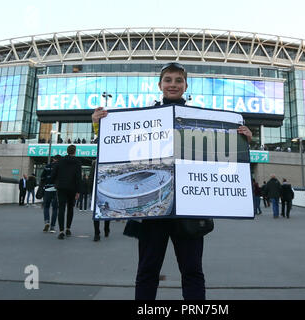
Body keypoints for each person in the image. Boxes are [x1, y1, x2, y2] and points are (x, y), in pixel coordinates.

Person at [91, 62, 252, 300]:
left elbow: (219, 157)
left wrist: (243, 141)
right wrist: (98, 125)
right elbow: (114, 149)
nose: (173, 84)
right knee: (147, 271)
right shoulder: (143, 117)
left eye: (178, 80)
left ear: (186, 85)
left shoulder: (200, 117)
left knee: (192, 271)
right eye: (168, 80)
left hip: (190, 209)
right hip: (152, 216)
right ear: (160, 85)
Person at [51, 145, 82, 240]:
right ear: (75, 151)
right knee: (70, 208)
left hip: (61, 188)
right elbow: (78, 177)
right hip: (72, 188)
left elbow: (53, 175)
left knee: (61, 208)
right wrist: (78, 191)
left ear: (67, 151)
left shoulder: (60, 161)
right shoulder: (77, 162)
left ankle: (61, 231)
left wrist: (56, 182)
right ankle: (68, 228)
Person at [88, 160, 111, 242]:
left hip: (97, 191)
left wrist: (90, 190)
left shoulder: (95, 163)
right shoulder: (108, 161)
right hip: (107, 190)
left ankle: (97, 233)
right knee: (107, 209)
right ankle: (106, 229)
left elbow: (91, 177)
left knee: (97, 211)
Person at [40, 155, 61, 233]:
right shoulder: (60, 168)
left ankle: (47, 221)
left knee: (46, 206)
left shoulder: (47, 166)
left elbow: (42, 177)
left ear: (53, 159)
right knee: (55, 208)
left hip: (47, 189)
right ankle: (52, 227)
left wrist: (46, 181)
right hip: (56, 190)